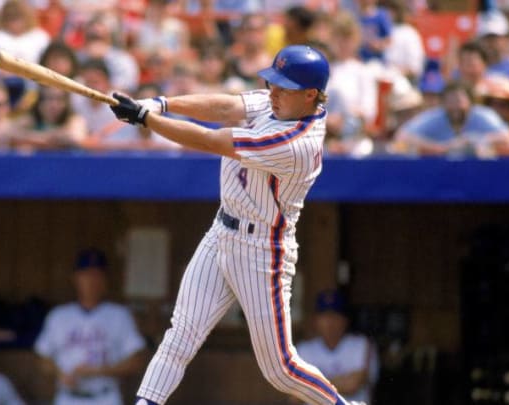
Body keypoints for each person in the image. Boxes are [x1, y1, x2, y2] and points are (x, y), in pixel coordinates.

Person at [108, 45, 363, 405]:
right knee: (181, 333)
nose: (273, 93)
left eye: (283, 88)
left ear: (311, 95)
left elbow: (212, 140)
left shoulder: (297, 143)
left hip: (263, 251)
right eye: (272, 84)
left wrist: (146, 120)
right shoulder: (278, 102)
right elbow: (226, 106)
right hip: (221, 232)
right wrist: (160, 103)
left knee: (280, 369)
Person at [34, 248, 147, 405]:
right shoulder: (59, 316)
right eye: (86, 274)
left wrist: (98, 371)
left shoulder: (119, 315)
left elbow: (136, 361)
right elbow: (42, 358)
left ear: (105, 279)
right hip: (68, 397)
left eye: (97, 274)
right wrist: (60, 373)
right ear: (75, 278)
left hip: (105, 396)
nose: (91, 281)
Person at [295, 290, 380, 404]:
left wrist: (311, 384)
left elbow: (352, 385)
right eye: (324, 315)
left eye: (335, 315)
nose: (330, 321)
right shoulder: (304, 349)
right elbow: (295, 396)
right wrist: (341, 381)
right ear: (315, 320)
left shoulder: (361, 345)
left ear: (345, 319)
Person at [392, 81, 509, 156]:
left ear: (470, 102)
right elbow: (402, 137)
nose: (455, 106)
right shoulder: (436, 117)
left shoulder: (483, 116)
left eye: (459, 101)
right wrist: (442, 148)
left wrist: (474, 140)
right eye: (450, 101)